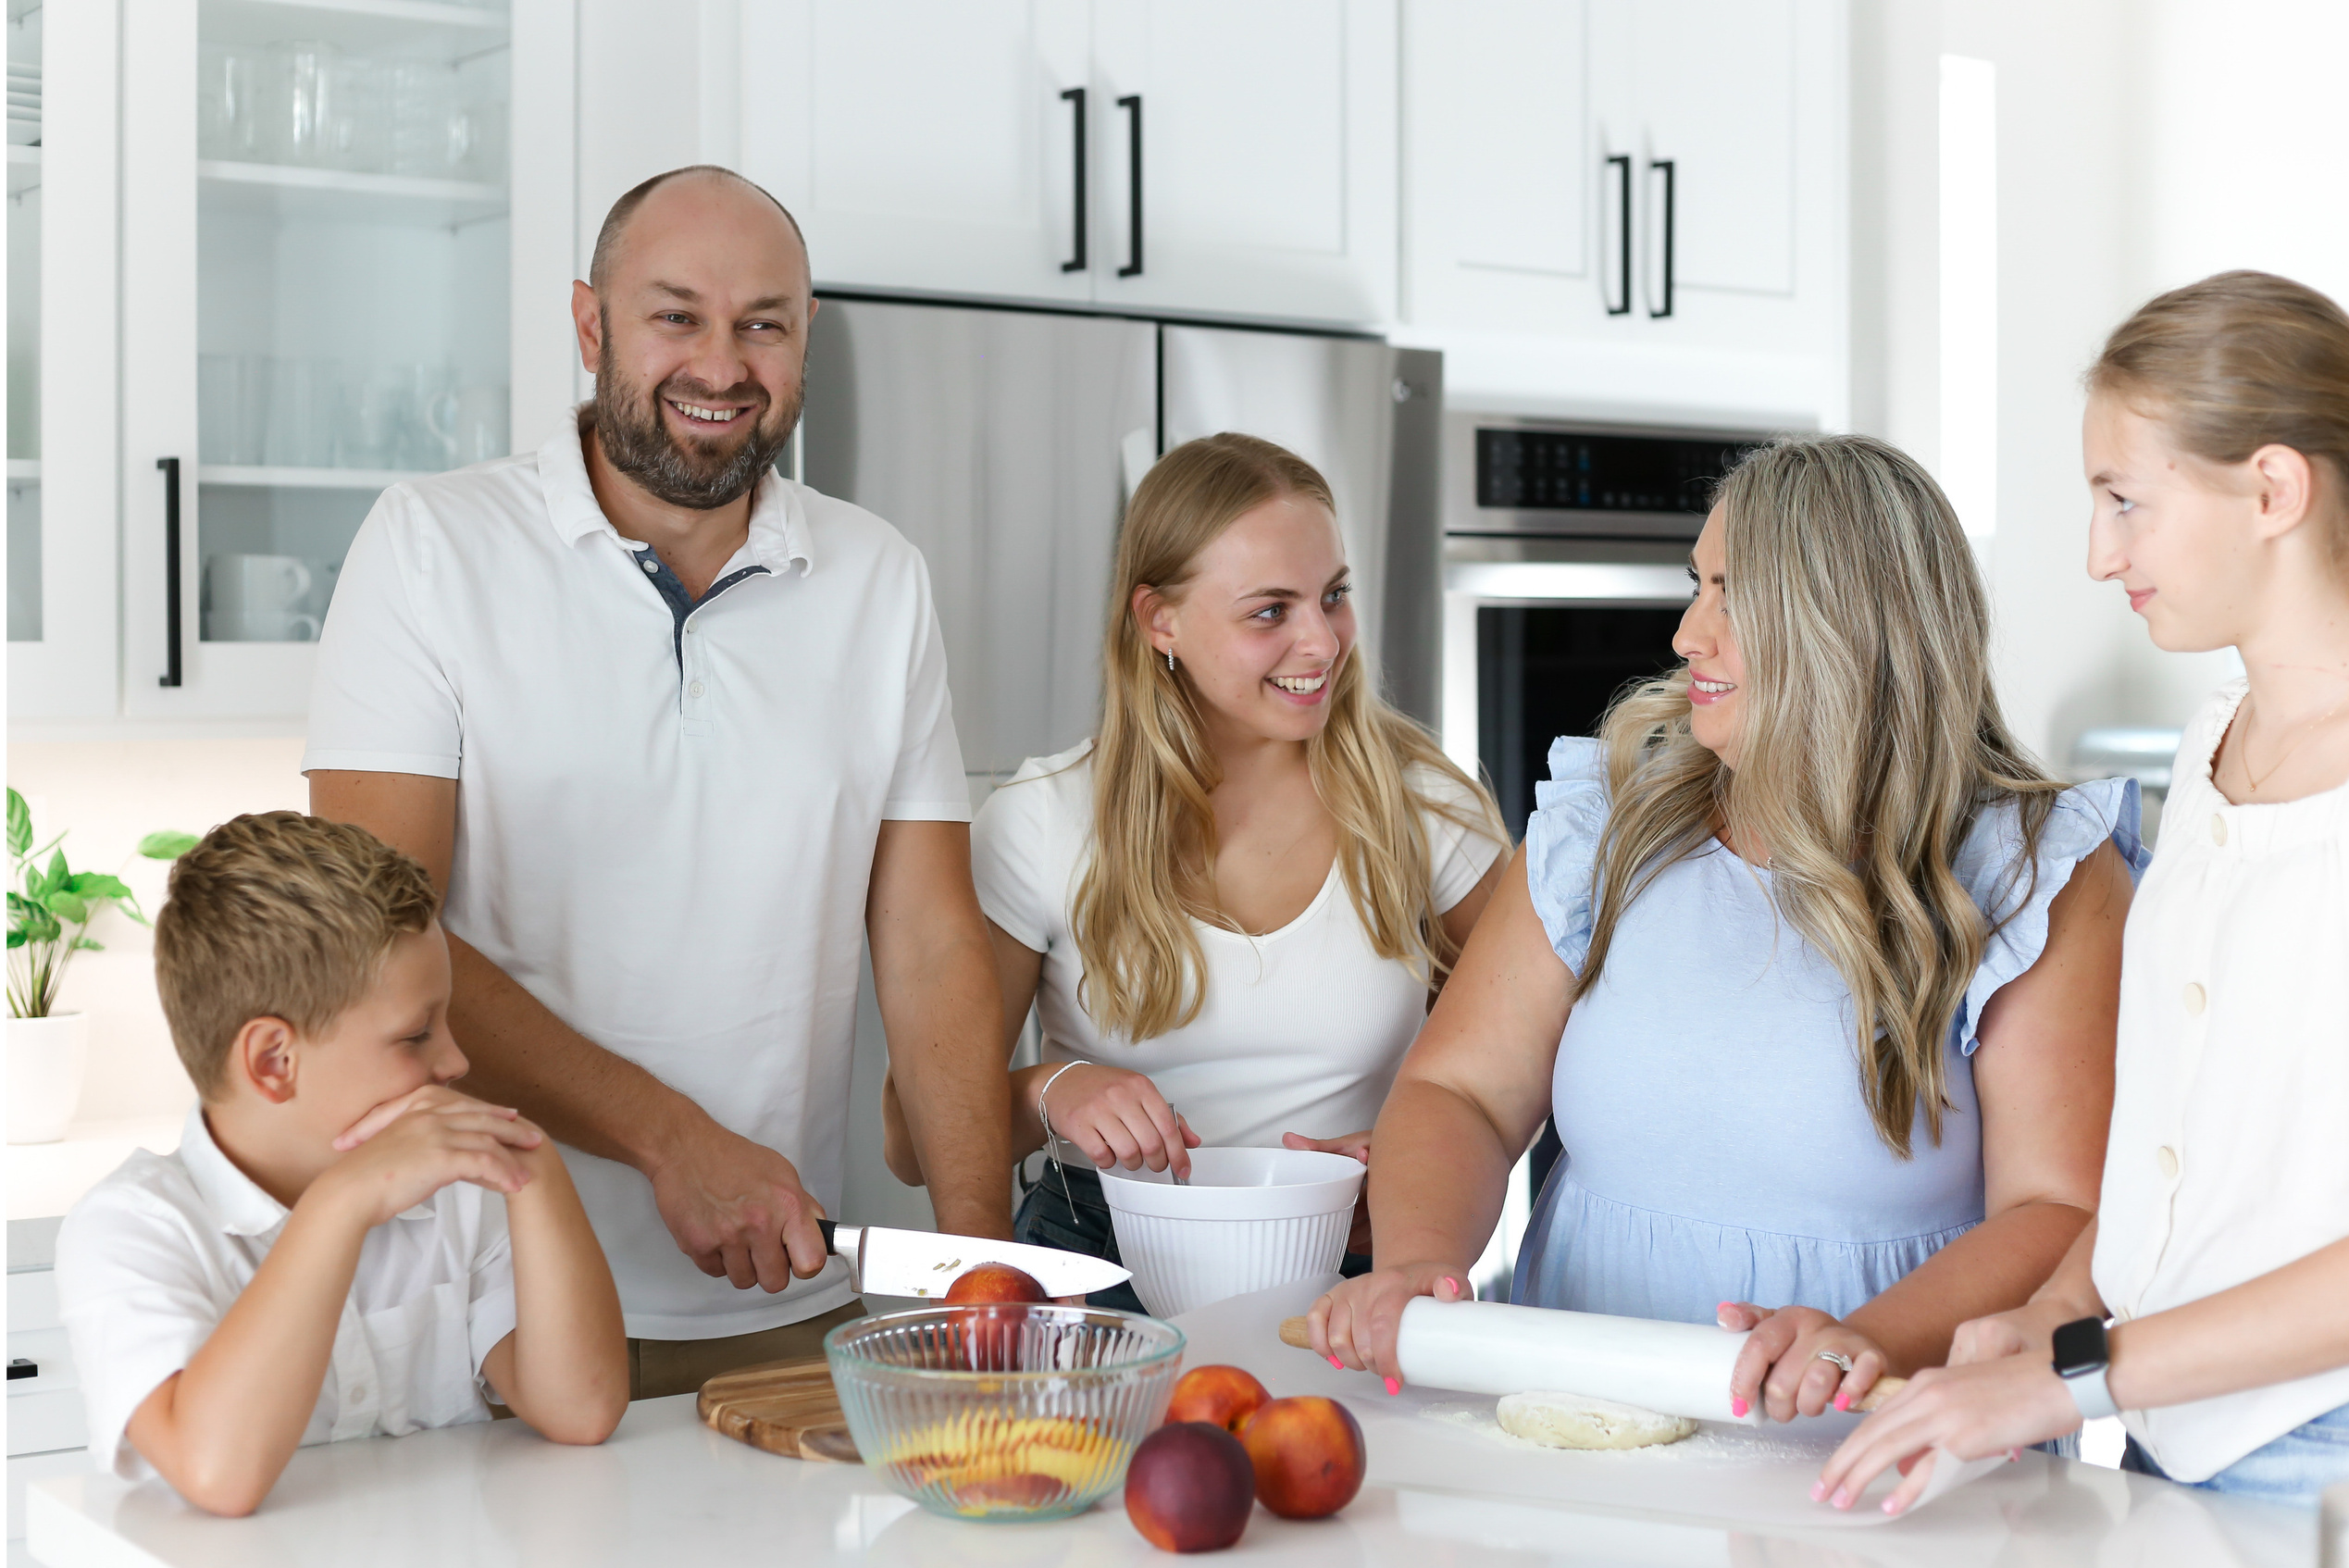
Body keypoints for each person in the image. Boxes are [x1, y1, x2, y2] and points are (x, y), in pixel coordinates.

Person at [304, 165, 1012, 1400]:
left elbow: (933, 946)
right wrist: (674, 1139)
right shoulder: (432, 547)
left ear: (806, 342)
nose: (722, 364)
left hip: (788, 1292)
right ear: (593, 326)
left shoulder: (878, 577)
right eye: (676, 315)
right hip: (492, 1307)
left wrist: (982, 1268)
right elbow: (375, 944)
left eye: (764, 323)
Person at [1306, 434, 2145, 1423]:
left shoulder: (2033, 868)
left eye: (1729, 595)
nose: (1686, 634)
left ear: (1848, 627)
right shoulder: (1608, 828)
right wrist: (1416, 1267)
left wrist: (1866, 1338)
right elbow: (1463, 1093)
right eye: (1696, 585)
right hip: (1579, 1417)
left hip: (1874, 1441)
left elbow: (2059, 1211)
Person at [1817, 272, 2349, 1513]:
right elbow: (2187, 1138)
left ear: (2273, 489)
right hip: (2180, 1447)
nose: (2098, 551)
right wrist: (2056, 1315)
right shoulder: (2217, 735)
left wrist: (2076, 1381)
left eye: (2128, 501)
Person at [882, 434, 1509, 1307]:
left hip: (1350, 1269)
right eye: (1269, 611)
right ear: (1158, 620)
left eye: (1334, 597)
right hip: (1093, 1270)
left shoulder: (1428, 810)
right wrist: (1052, 1090)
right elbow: (908, 1140)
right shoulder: (1041, 821)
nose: (1322, 642)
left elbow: (1531, 1070)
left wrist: (1417, 1161)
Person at [53, 814, 627, 1516]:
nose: (457, 1062)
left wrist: (531, 1166)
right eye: (416, 1034)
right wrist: (340, 1204)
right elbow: (217, 1472)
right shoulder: (131, 1229)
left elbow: (583, 1408)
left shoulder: (460, 1192)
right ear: (274, 1062)